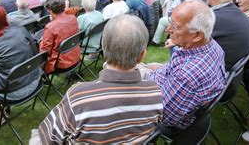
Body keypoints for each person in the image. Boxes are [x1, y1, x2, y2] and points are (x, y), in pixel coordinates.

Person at [38, 14, 163, 144]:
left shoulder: (79, 97)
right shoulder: (156, 93)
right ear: (142, 56)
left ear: (103, 47)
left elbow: (49, 139)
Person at [146, 0, 226, 134]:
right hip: (166, 83)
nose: (168, 29)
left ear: (197, 35)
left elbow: (165, 117)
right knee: (141, 66)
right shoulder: (212, 46)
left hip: (161, 113)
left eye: (175, 27)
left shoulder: (187, 74)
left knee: (114, 76)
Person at [0, 5, 40, 125]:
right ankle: (0, 109)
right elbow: (35, 53)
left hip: (13, 91)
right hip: (35, 80)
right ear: (5, 18)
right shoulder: (21, 30)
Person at [204, 0, 249, 70]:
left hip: (215, 73)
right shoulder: (239, 14)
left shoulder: (214, 17)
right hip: (232, 73)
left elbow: (188, 43)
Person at [39, 0, 79, 74]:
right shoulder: (73, 18)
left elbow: (45, 51)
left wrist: (42, 41)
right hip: (75, 57)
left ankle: (43, 78)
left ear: (50, 10)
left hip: (60, 64)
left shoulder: (50, 27)